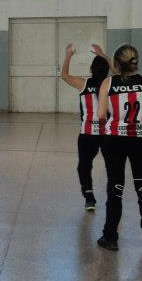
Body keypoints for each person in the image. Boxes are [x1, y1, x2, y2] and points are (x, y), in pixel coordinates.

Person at [96, 44, 142, 251]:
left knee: (115, 187)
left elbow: (100, 115)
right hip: (141, 140)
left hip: (114, 140)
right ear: (136, 62)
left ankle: (110, 237)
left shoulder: (108, 83)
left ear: (116, 63)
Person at [60, 43, 110, 211]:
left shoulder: (83, 83)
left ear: (91, 69)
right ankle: (113, 197)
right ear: (107, 70)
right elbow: (120, 72)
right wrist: (103, 55)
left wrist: (69, 55)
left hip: (88, 134)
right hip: (109, 134)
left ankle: (89, 197)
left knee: (84, 166)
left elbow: (64, 75)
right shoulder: (112, 84)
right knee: (112, 166)